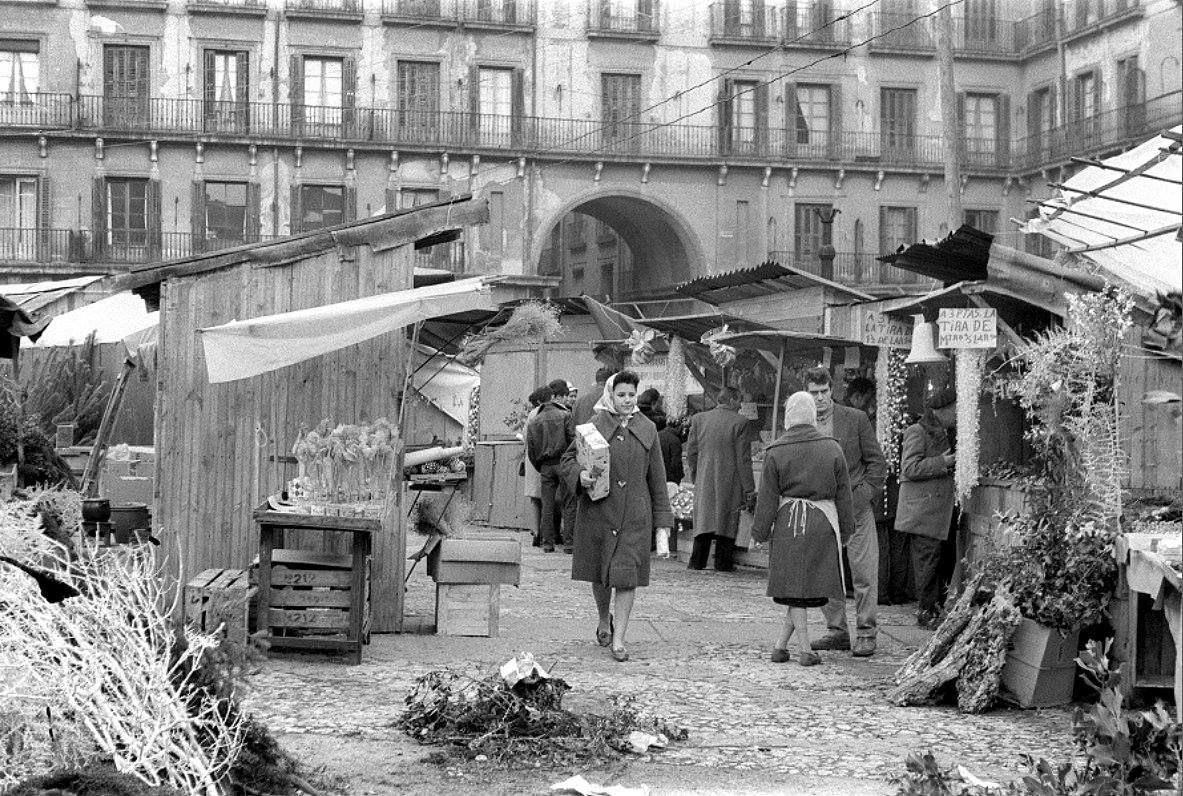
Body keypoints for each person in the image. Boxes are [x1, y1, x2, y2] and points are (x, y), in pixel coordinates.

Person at [562, 371, 672, 663]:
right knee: (601, 575)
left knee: (626, 577)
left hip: (635, 514)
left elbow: (658, 478)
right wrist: (581, 475)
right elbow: (568, 460)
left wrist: (663, 522)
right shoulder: (594, 426)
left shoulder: (648, 429)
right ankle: (602, 618)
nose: (626, 400)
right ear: (611, 395)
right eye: (621, 394)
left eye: (631, 395)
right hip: (599, 511)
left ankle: (620, 638)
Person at [751, 392, 855, 667]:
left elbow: (767, 498)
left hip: (788, 523)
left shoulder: (775, 451)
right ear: (812, 416)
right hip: (822, 522)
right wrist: (846, 530)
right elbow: (844, 493)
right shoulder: (833, 448)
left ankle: (803, 649)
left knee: (795, 589)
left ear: (787, 417)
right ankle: (783, 647)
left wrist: (759, 533)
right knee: (801, 590)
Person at [801, 367, 885, 658]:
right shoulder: (802, 422)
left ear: (832, 390)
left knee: (864, 573)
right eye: (814, 393)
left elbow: (878, 466)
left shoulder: (856, 419)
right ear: (806, 394)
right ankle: (837, 630)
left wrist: (861, 499)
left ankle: (866, 631)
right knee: (827, 573)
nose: (820, 398)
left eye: (824, 392)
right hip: (822, 510)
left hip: (857, 509)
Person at [896, 387, 958, 630]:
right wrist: (942, 462)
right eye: (954, 410)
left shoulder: (947, 431)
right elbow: (909, 468)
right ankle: (926, 612)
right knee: (927, 566)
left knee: (942, 563)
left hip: (940, 512)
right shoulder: (916, 431)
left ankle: (935, 609)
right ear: (942, 411)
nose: (957, 414)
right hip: (923, 513)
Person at [685, 387, 755, 572]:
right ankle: (723, 563)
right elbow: (744, 458)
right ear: (732, 400)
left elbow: (691, 452)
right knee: (728, 520)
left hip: (704, 477)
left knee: (704, 521)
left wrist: (696, 474)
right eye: (739, 400)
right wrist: (749, 488)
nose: (740, 405)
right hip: (731, 480)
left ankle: (697, 561)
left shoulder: (699, 419)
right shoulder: (741, 422)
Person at [527, 383, 574, 553]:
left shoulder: (534, 420)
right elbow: (572, 440)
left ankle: (548, 543)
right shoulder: (565, 415)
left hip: (545, 466)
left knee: (547, 505)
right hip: (564, 463)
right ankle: (569, 544)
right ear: (553, 398)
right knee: (569, 502)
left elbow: (531, 449)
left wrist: (540, 466)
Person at [521, 386, 551, 547]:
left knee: (535, 499)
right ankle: (549, 533)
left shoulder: (533, 415)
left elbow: (526, 437)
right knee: (549, 498)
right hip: (551, 459)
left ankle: (536, 532)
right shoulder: (560, 412)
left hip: (534, 459)